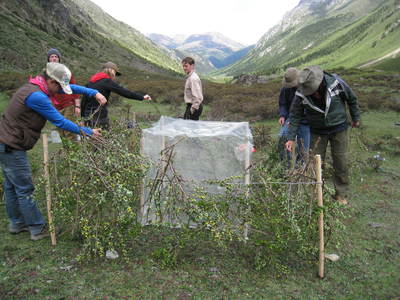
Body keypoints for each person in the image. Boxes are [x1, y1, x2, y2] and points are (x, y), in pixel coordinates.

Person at [0, 62, 106, 241]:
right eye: (58, 85)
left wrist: (93, 92)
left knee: (12, 186)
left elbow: (69, 88)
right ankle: (37, 228)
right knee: (25, 189)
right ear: (50, 81)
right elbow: (61, 122)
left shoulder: (36, 86)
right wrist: (88, 132)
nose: (60, 89)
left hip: (5, 142)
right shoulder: (37, 97)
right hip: (11, 146)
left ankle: (17, 223)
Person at [285, 66, 360, 205]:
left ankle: (341, 195)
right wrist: (290, 138)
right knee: (315, 165)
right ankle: (317, 194)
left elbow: (352, 99)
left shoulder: (337, 83)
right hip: (317, 131)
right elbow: (294, 115)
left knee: (340, 162)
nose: (310, 93)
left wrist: (355, 118)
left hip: (339, 128)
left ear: (319, 83)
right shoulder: (300, 93)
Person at [81, 62, 152, 129]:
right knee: (102, 139)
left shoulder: (91, 82)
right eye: (115, 72)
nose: (114, 76)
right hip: (99, 118)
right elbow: (125, 92)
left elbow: (83, 102)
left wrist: (82, 118)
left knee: (89, 138)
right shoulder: (107, 81)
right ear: (111, 71)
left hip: (88, 117)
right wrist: (142, 97)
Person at [278, 67, 310, 166]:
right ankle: (285, 166)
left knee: (303, 148)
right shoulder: (286, 89)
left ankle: (300, 170)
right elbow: (283, 103)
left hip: (305, 121)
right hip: (290, 119)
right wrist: (283, 116)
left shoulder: (308, 87)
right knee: (282, 137)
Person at [47, 48, 81, 140]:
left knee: (69, 131)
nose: (54, 58)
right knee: (61, 132)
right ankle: (68, 153)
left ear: (59, 59)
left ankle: (74, 153)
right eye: (52, 57)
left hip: (68, 105)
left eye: (56, 57)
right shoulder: (47, 73)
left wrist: (77, 106)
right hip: (56, 107)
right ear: (49, 59)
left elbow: (75, 88)